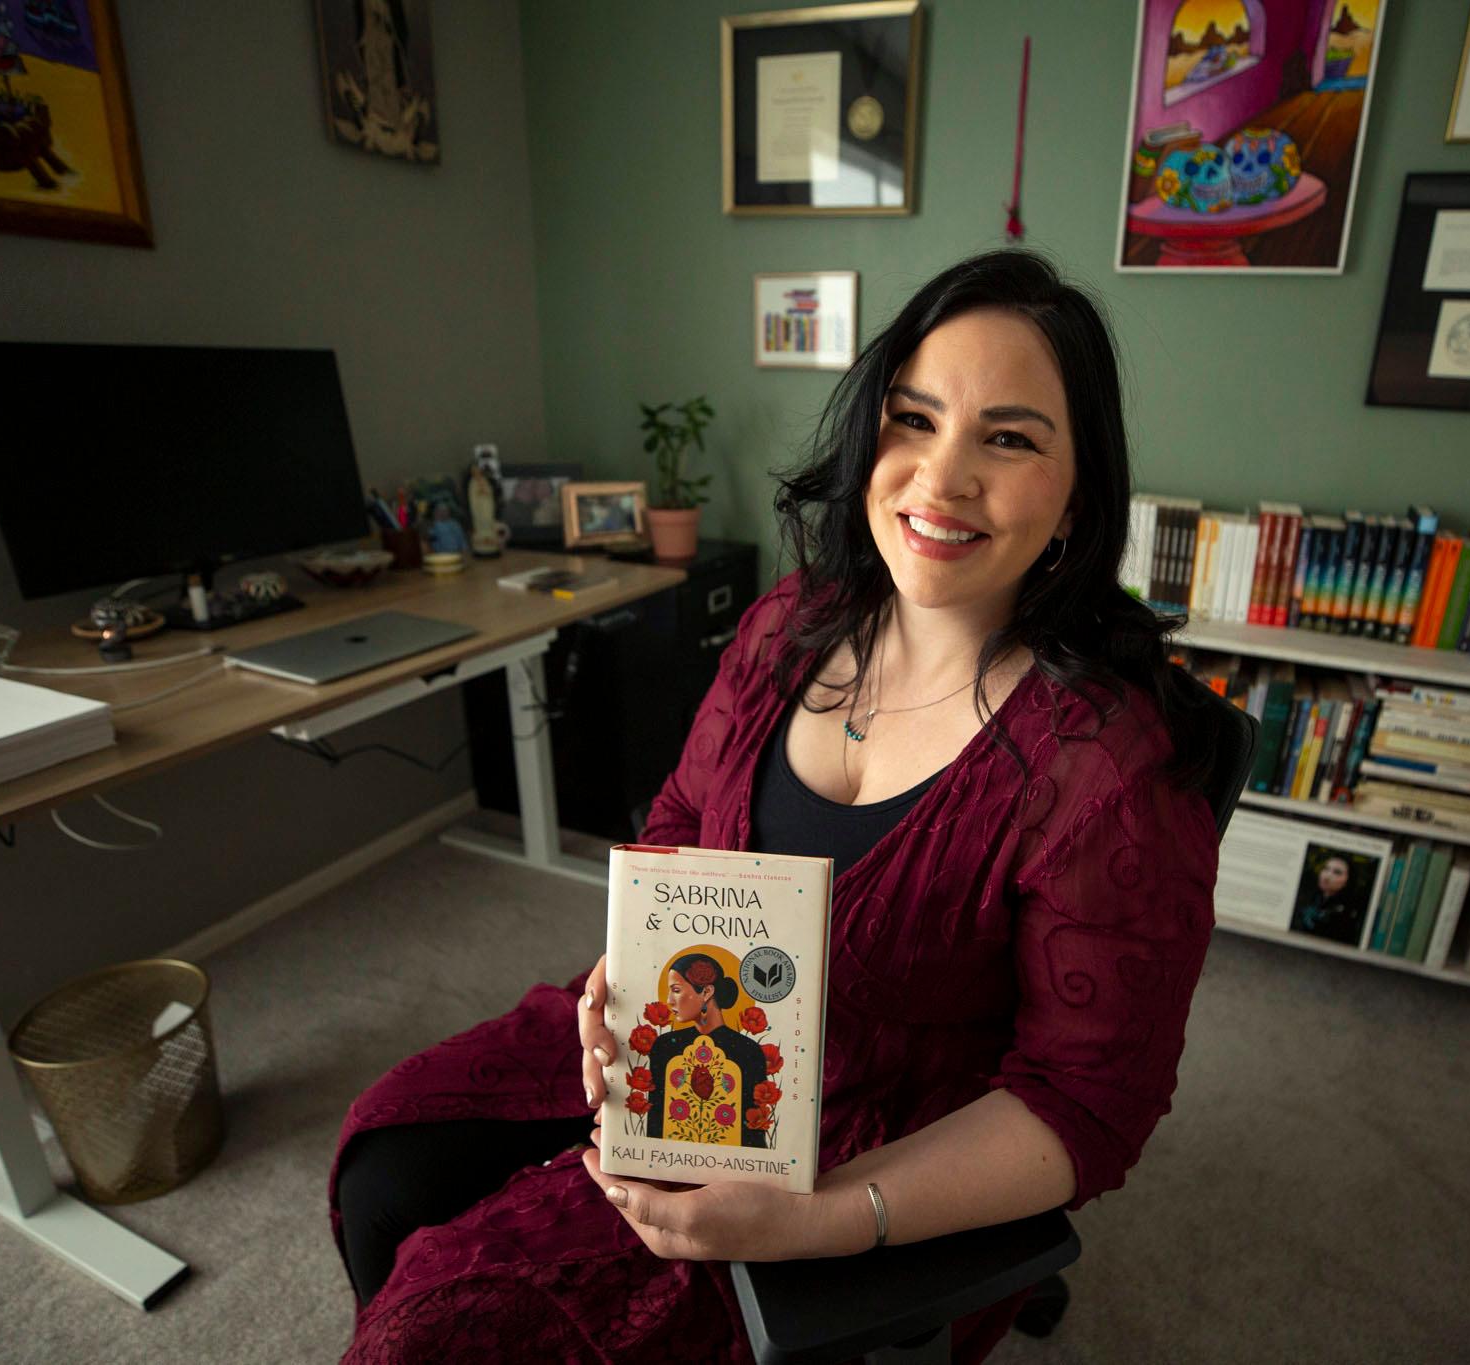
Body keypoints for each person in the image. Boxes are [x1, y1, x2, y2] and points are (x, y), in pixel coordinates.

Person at [328, 250, 1223, 1363]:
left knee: (446, 1337)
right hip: (689, 1028)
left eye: (1008, 436)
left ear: (1079, 490)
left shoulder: (1108, 770)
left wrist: (833, 1216)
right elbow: (674, 824)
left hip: (881, 1128)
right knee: (387, 1159)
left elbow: (1087, 1104)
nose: (937, 482)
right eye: (912, 419)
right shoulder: (789, 622)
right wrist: (626, 973)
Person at [644, 953, 771, 1148]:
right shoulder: (665, 1047)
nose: (669, 1000)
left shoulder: (748, 1052)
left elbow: (754, 1131)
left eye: (676, 990)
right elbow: (655, 1124)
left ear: (706, 992)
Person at [1293, 852, 1361, 944]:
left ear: (1347, 881)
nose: (1327, 876)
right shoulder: (1308, 898)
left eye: (1337, 872)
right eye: (1326, 869)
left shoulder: (1347, 912)